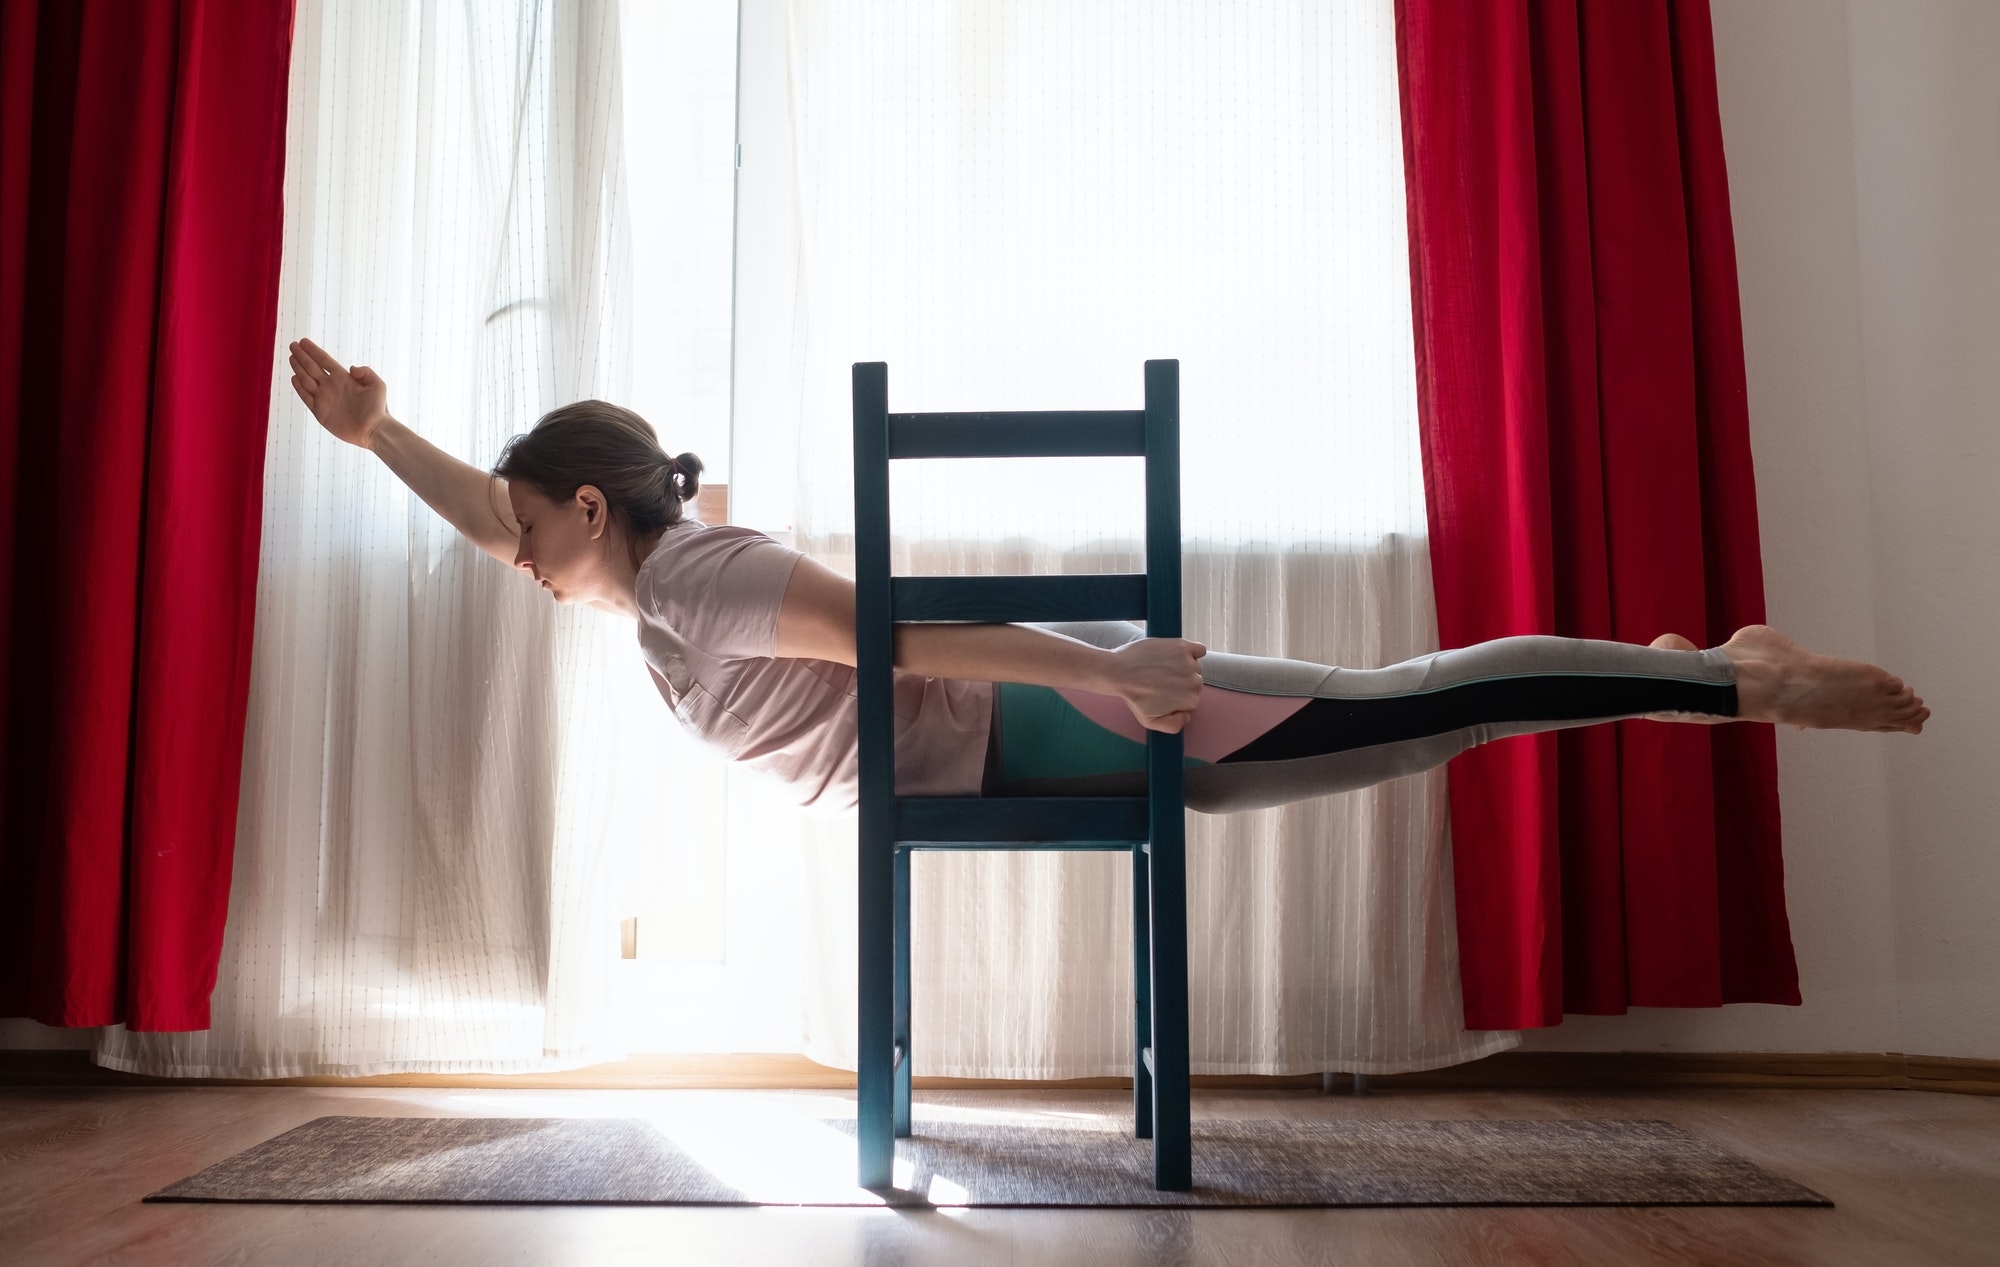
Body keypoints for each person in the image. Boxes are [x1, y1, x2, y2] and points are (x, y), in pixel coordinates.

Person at [287, 338, 1928, 816]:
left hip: (1061, 720)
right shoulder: (646, 580)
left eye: (526, 530)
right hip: (1026, 727)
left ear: (590, 506)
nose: (513, 562)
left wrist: (1122, 678)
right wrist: (379, 439)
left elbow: (901, 631)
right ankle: (1676, 667)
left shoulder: (700, 580)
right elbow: (497, 527)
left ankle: (1726, 678)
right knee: (1415, 727)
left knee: (1412, 717)